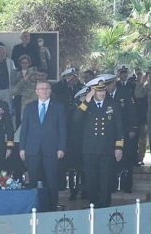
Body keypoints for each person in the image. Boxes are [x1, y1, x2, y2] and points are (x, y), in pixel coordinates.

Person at [74, 76, 124, 208]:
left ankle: (104, 205)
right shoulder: (87, 105)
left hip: (106, 148)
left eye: (103, 90)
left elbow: (119, 127)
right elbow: (76, 119)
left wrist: (119, 147)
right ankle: (93, 205)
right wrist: (87, 100)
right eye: (98, 90)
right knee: (91, 179)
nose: (102, 93)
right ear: (93, 91)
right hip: (90, 149)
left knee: (105, 179)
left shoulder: (112, 105)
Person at [19, 79, 66, 211]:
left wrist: (61, 148)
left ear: (50, 91)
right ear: (36, 92)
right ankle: (35, 207)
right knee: (33, 180)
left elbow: (62, 129)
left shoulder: (58, 107)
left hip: (51, 149)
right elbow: (24, 129)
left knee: (51, 180)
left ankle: (51, 208)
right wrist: (22, 148)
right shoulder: (29, 107)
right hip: (32, 149)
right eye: (41, 89)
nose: (44, 91)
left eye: (46, 89)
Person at [106, 73, 137, 191]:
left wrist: (132, 128)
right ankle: (112, 184)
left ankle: (127, 185)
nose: (107, 87)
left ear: (114, 83)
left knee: (126, 158)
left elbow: (132, 112)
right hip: (110, 133)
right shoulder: (105, 95)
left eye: (109, 84)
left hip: (125, 130)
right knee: (111, 159)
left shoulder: (124, 93)